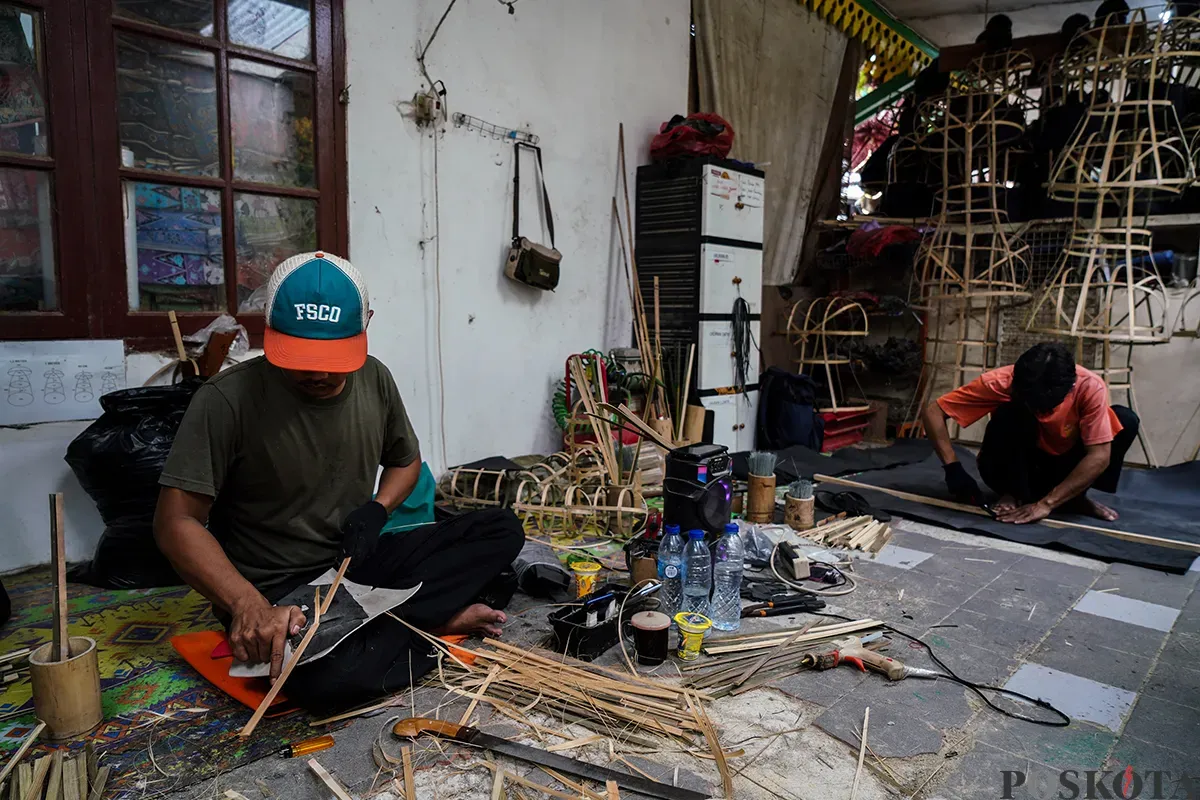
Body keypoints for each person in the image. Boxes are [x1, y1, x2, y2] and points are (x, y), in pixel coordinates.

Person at [154, 252, 524, 713]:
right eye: (303, 357)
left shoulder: (375, 379)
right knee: (330, 685)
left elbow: (406, 462)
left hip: (354, 564)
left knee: (501, 528)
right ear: (270, 330)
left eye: (333, 357)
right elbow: (175, 523)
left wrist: (379, 509)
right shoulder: (225, 400)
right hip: (276, 592)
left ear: (365, 323)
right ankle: (430, 618)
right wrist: (246, 604)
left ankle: (398, 624)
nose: (319, 373)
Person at [921, 342, 1139, 525]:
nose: (1042, 413)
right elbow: (933, 412)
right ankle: (1012, 491)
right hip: (1016, 467)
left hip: (1058, 470)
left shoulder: (1089, 388)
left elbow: (1099, 455)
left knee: (1124, 420)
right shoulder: (1001, 381)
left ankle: (1073, 498)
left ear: (1069, 388)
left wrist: (1046, 504)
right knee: (1010, 410)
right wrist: (953, 468)